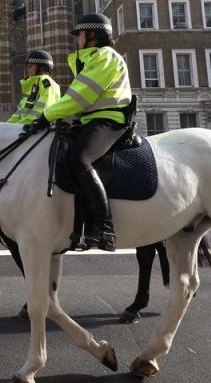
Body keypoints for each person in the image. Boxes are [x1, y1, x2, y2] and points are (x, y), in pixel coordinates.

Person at [28, 13, 133, 252]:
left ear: (92, 36)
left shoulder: (105, 57)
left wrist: (46, 116)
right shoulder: (90, 59)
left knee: (80, 159)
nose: (77, 40)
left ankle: (105, 228)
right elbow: (74, 99)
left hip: (109, 119)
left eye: (80, 35)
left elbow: (79, 97)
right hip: (89, 119)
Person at [7, 50, 60, 125]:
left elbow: (39, 113)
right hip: (27, 130)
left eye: (31, 66)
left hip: (40, 131)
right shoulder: (33, 85)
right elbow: (20, 112)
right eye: (28, 66)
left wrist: (19, 126)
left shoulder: (48, 85)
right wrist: (7, 126)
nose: (28, 69)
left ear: (42, 68)